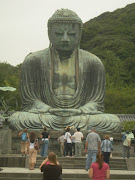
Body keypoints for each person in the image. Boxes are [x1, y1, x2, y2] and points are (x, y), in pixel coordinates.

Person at [10, 9, 121, 133]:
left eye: (72, 34)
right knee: (17, 119)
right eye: (58, 33)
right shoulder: (33, 61)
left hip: (80, 115)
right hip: (48, 115)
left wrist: (81, 110)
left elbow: (96, 102)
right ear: (49, 33)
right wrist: (48, 109)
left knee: (113, 121)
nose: (65, 39)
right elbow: (30, 101)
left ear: (79, 34)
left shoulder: (93, 62)